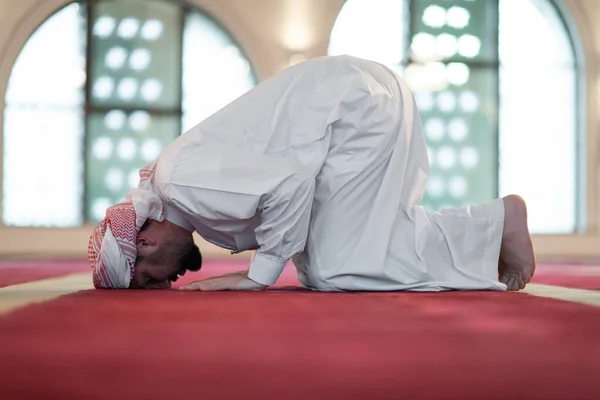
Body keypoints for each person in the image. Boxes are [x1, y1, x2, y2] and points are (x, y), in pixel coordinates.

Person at [88, 55, 535, 292]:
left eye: (145, 277)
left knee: (334, 269)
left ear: (142, 243)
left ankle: (495, 225)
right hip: (355, 104)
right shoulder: (180, 188)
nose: (165, 283)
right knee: (339, 256)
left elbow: (292, 183)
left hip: (353, 110)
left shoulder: (179, 182)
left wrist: (256, 278)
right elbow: (287, 195)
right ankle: (488, 233)